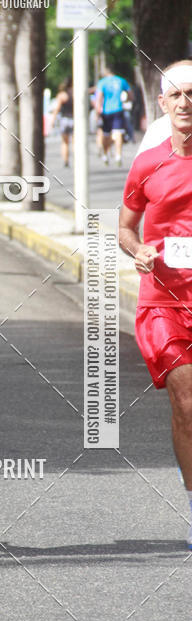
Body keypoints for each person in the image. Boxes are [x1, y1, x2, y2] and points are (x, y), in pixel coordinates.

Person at [119, 60, 192, 550]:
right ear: (162, 103)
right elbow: (125, 227)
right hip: (164, 300)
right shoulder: (148, 163)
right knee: (187, 401)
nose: (186, 102)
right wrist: (139, 250)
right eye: (177, 94)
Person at [95, 65, 132, 166]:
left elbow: (98, 98)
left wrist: (97, 113)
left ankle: (105, 154)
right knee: (118, 133)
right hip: (118, 109)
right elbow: (130, 95)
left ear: (106, 72)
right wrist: (126, 100)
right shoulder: (121, 81)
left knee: (106, 134)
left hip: (106, 111)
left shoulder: (102, 82)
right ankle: (118, 155)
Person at [47, 79, 73, 167]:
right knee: (75, 142)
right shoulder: (76, 93)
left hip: (65, 119)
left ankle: (66, 160)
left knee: (65, 142)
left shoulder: (62, 95)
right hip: (75, 119)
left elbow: (57, 109)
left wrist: (52, 121)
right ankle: (78, 160)